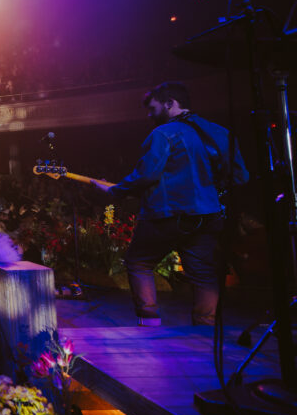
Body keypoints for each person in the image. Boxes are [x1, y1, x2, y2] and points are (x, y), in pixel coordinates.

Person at [92, 82, 248, 326]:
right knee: (203, 271)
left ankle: (150, 322)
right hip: (208, 214)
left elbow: (147, 174)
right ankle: (206, 327)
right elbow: (241, 177)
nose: (149, 114)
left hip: (167, 214)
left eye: (153, 108)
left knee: (139, 262)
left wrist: (115, 191)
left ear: (170, 103)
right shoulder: (220, 132)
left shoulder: (163, 133)